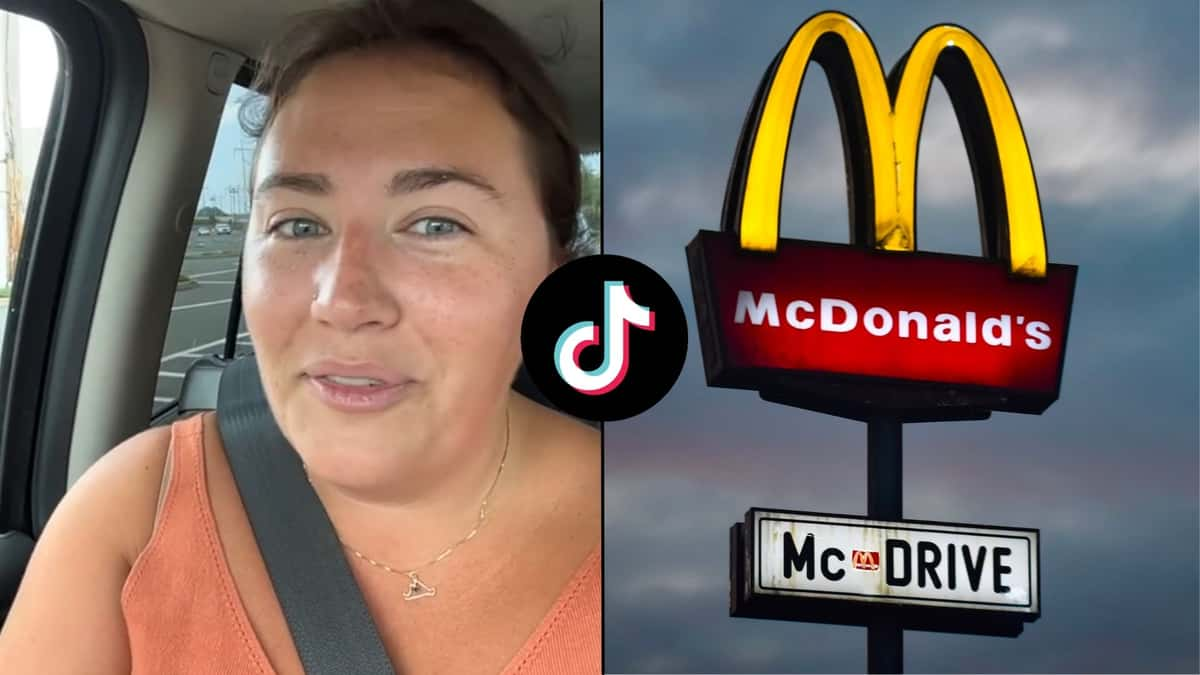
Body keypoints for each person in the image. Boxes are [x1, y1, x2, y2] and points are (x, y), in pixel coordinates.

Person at [0, 0, 600, 672]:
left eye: (436, 224)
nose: (341, 301)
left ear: (556, 275)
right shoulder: (130, 516)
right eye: (299, 224)